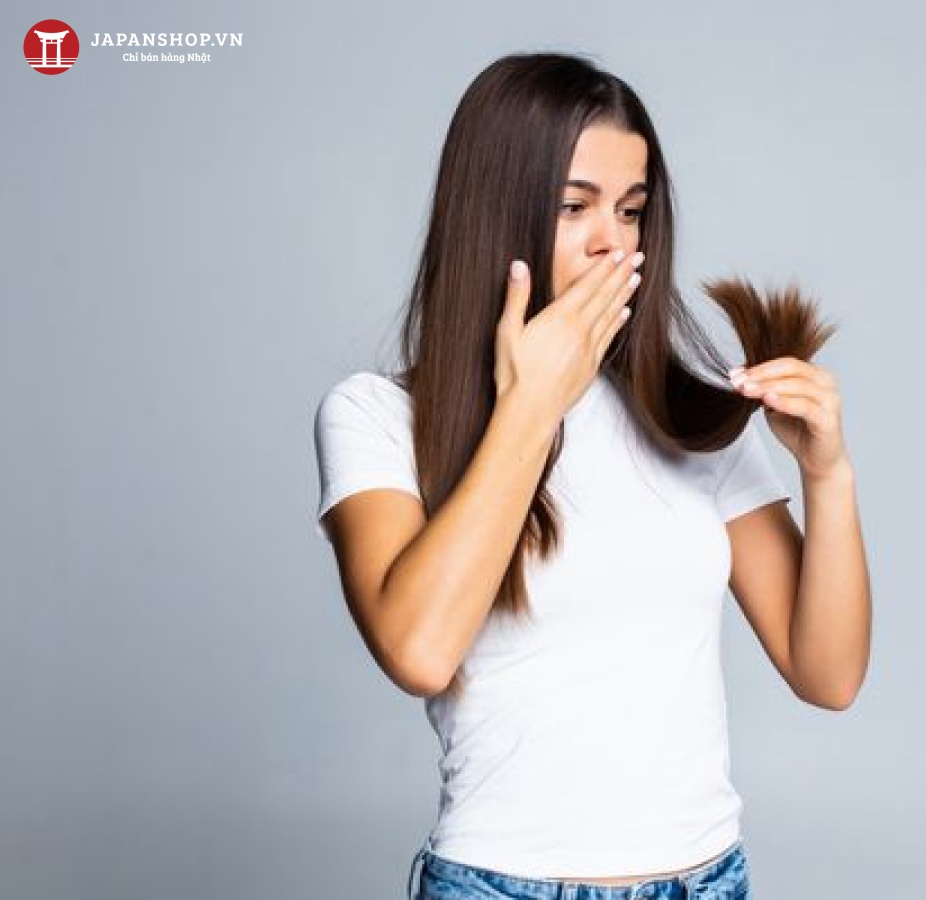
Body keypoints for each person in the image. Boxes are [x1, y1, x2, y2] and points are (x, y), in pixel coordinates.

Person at [313, 51, 872, 899]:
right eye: (574, 206)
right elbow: (419, 650)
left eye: (631, 210)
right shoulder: (375, 417)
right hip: (501, 885)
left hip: (705, 880)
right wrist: (530, 407)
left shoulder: (685, 417)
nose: (613, 240)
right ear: (496, 214)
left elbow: (827, 674)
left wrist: (827, 476)